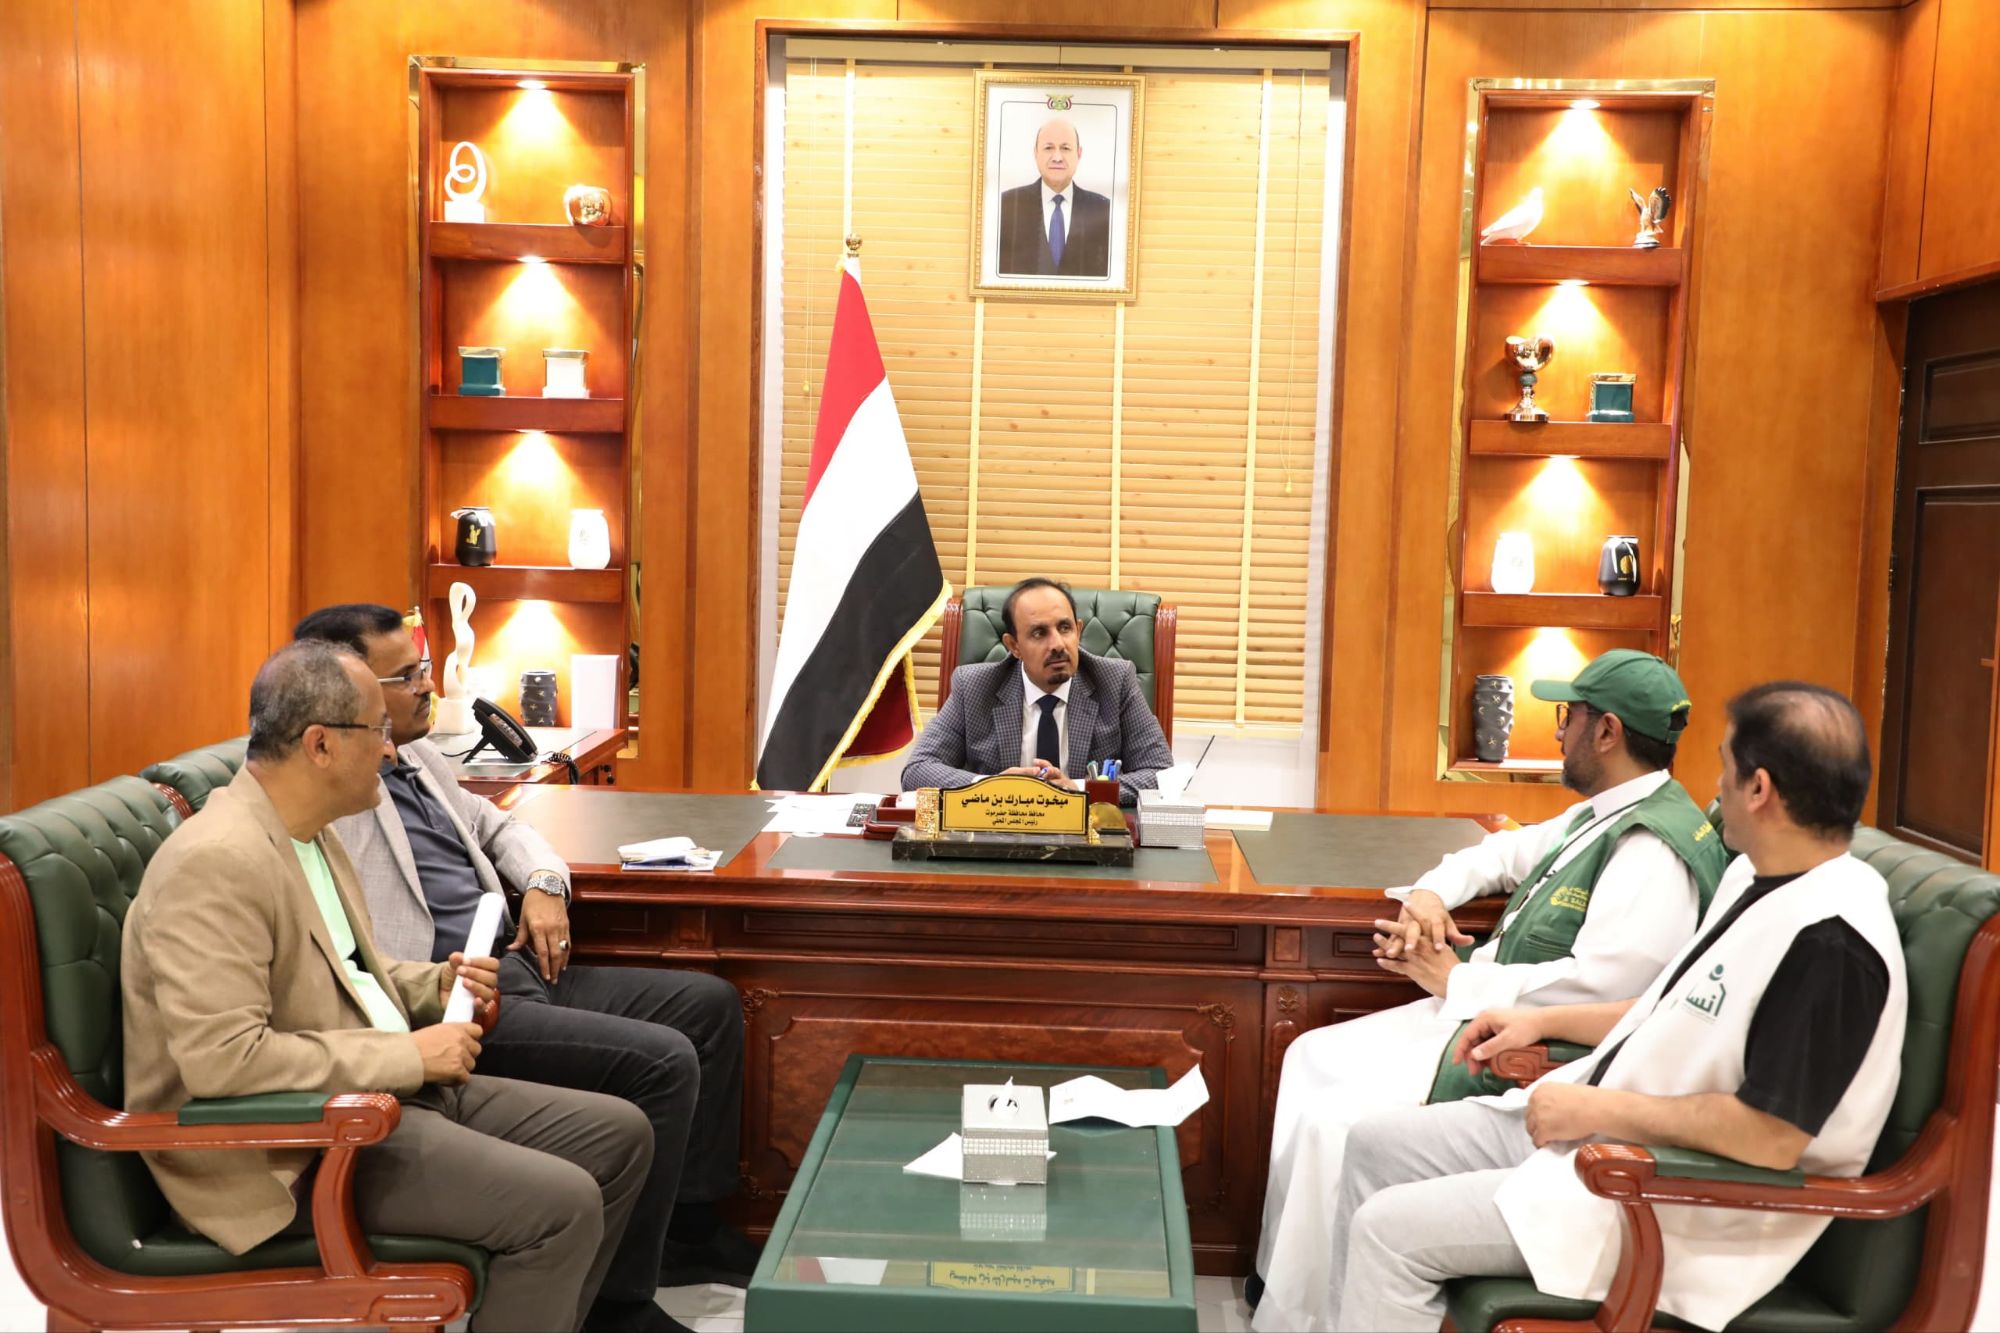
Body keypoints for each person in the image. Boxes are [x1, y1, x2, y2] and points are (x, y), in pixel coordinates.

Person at [1322, 682, 1904, 1333]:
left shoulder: (1833, 941)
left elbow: (1771, 1136)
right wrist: (1541, 1020)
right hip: (1604, 1133)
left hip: (1670, 1197)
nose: (1715, 787)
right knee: (1375, 1145)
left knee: (1389, 1233)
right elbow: (1673, 1008)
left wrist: (1596, 1110)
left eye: (1725, 766)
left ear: (1760, 788)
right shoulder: (1755, 874)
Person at [122, 641, 658, 1333]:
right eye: (376, 729)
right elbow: (224, 1060)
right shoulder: (217, 862)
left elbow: (345, 971)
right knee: (561, 1204)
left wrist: (435, 984)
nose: (390, 747)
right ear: (320, 744)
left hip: (374, 1096)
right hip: (292, 1151)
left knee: (620, 1135)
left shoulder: (310, 832)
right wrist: (410, 1055)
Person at [1252, 649, 1729, 1333]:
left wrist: (1458, 979)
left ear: (1607, 731)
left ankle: (1310, 1317)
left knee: (1336, 1123)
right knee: (1309, 1055)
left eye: (1569, 715)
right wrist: (1427, 896)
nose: (1559, 730)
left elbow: (1607, 988)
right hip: (1480, 1005)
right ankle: (1279, 1288)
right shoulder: (1603, 812)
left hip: (1529, 1043)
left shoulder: (1653, 849)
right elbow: (1499, 853)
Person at [293, 604, 758, 1299]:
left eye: (424, 667)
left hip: (514, 961)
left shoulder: (419, 755)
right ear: (346, 690)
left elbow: (498, 825)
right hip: (450, 992)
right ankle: (622, 1293)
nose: (428, 684)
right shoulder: (330, 785)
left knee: (709, 1005)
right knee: (664, 1060)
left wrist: (544, 883)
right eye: (408, 675)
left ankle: (686, 1228)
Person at [901, 577, 1172, 803]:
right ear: (1014, 646)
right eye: (1039, 633)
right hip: (999, 836)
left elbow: (1161, 774)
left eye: (1065, 628)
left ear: (1078, 631)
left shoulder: (1114, 681)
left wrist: (1079, 790)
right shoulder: (974, 686)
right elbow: (917, 771)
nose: (1058, 644)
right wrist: (992, 787)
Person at [996, 116, 1111, 278]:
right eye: (1048, 148)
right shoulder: (1006, 205)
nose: (1057, 157)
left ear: (1079, 154)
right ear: (1035, 153)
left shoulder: (1104, 209)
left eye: (1065, 148)